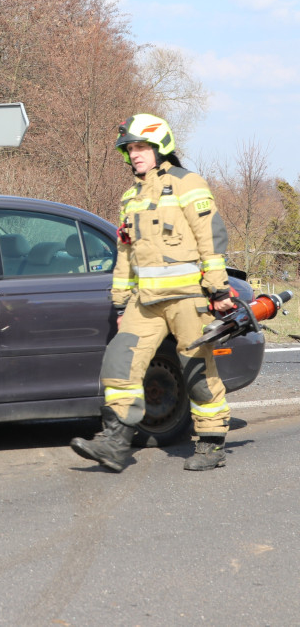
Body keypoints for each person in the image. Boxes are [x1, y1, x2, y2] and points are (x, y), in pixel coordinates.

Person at [71, 114, 234, 473]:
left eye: (142, 147)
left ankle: (211, 443)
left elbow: (211, 238)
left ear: (161, 148)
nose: (135, 154)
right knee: (119, 363)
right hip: (144, 302)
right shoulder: (130, 197)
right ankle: (114, 443)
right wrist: (119, 301)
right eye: (130, 149)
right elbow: (125, 253)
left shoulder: (187, 183)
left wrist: (219, 288)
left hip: (188, 298)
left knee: (195, 370)